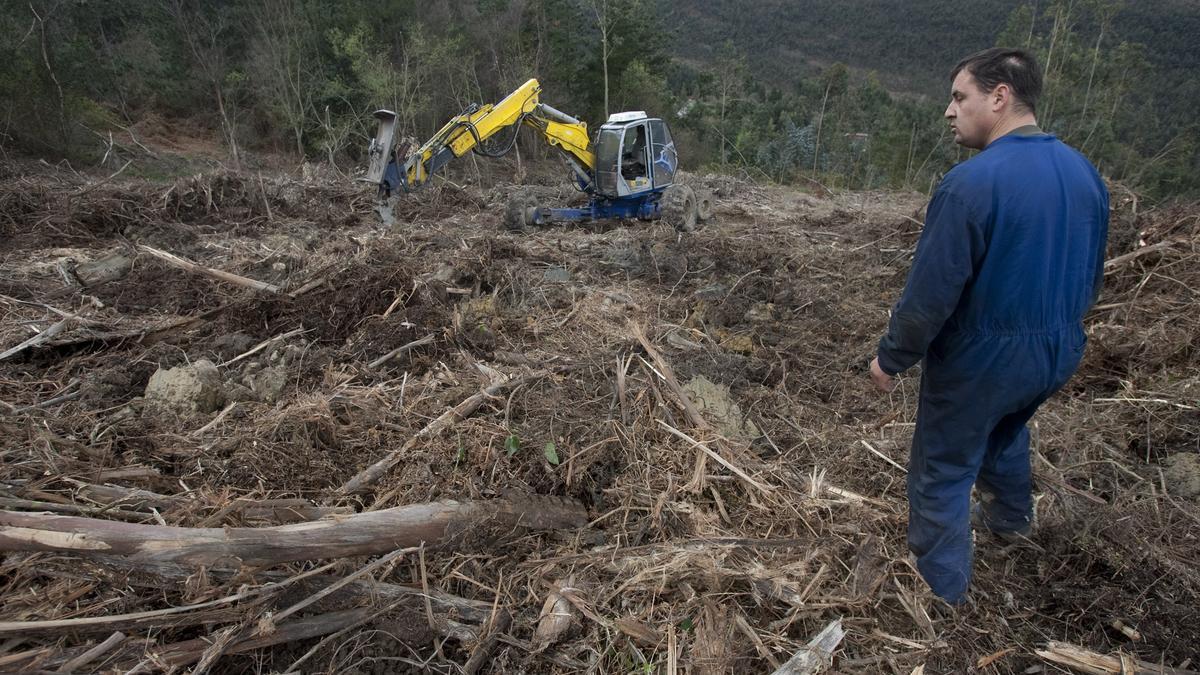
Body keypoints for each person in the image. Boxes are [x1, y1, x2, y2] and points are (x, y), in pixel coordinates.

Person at [868, 48, 1109, 604]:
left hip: (984, 358)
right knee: (1003, 430)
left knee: (942, 472)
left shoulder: (970, 184)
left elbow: (930, 296)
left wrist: (892, 357)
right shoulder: (1083, 173)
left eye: (959, 97)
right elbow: (1091, 275)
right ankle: (1010, 521)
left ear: (999, 97)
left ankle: (939, 599)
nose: (949, 112)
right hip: (1058, 349)